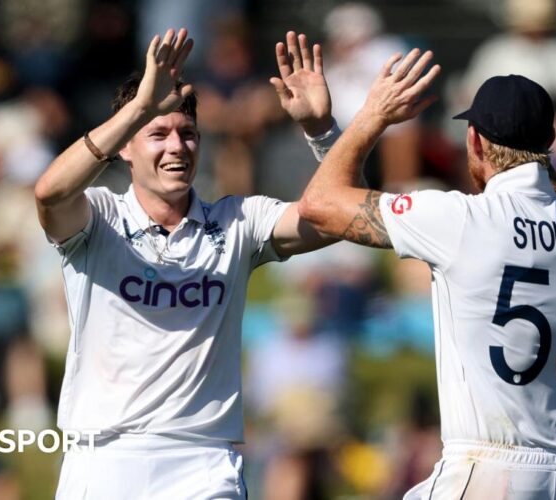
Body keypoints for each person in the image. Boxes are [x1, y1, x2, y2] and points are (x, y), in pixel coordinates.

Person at [34, 28, 338, 499]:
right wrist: (140, 108)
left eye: (188, 134)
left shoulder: (240, 222)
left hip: (203, 461)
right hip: (104, 457)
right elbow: (49, 192)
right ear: (125, 148)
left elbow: (337, 217)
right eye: (158, 133)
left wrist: (322, 132)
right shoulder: (98, 217)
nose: (177, 146)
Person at [299, 49, 556, 498]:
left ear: (476, 142)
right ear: (548, 145)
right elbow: (548, 190)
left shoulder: (463, 220)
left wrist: (370, 115)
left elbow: (320, 205)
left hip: (491, 469)